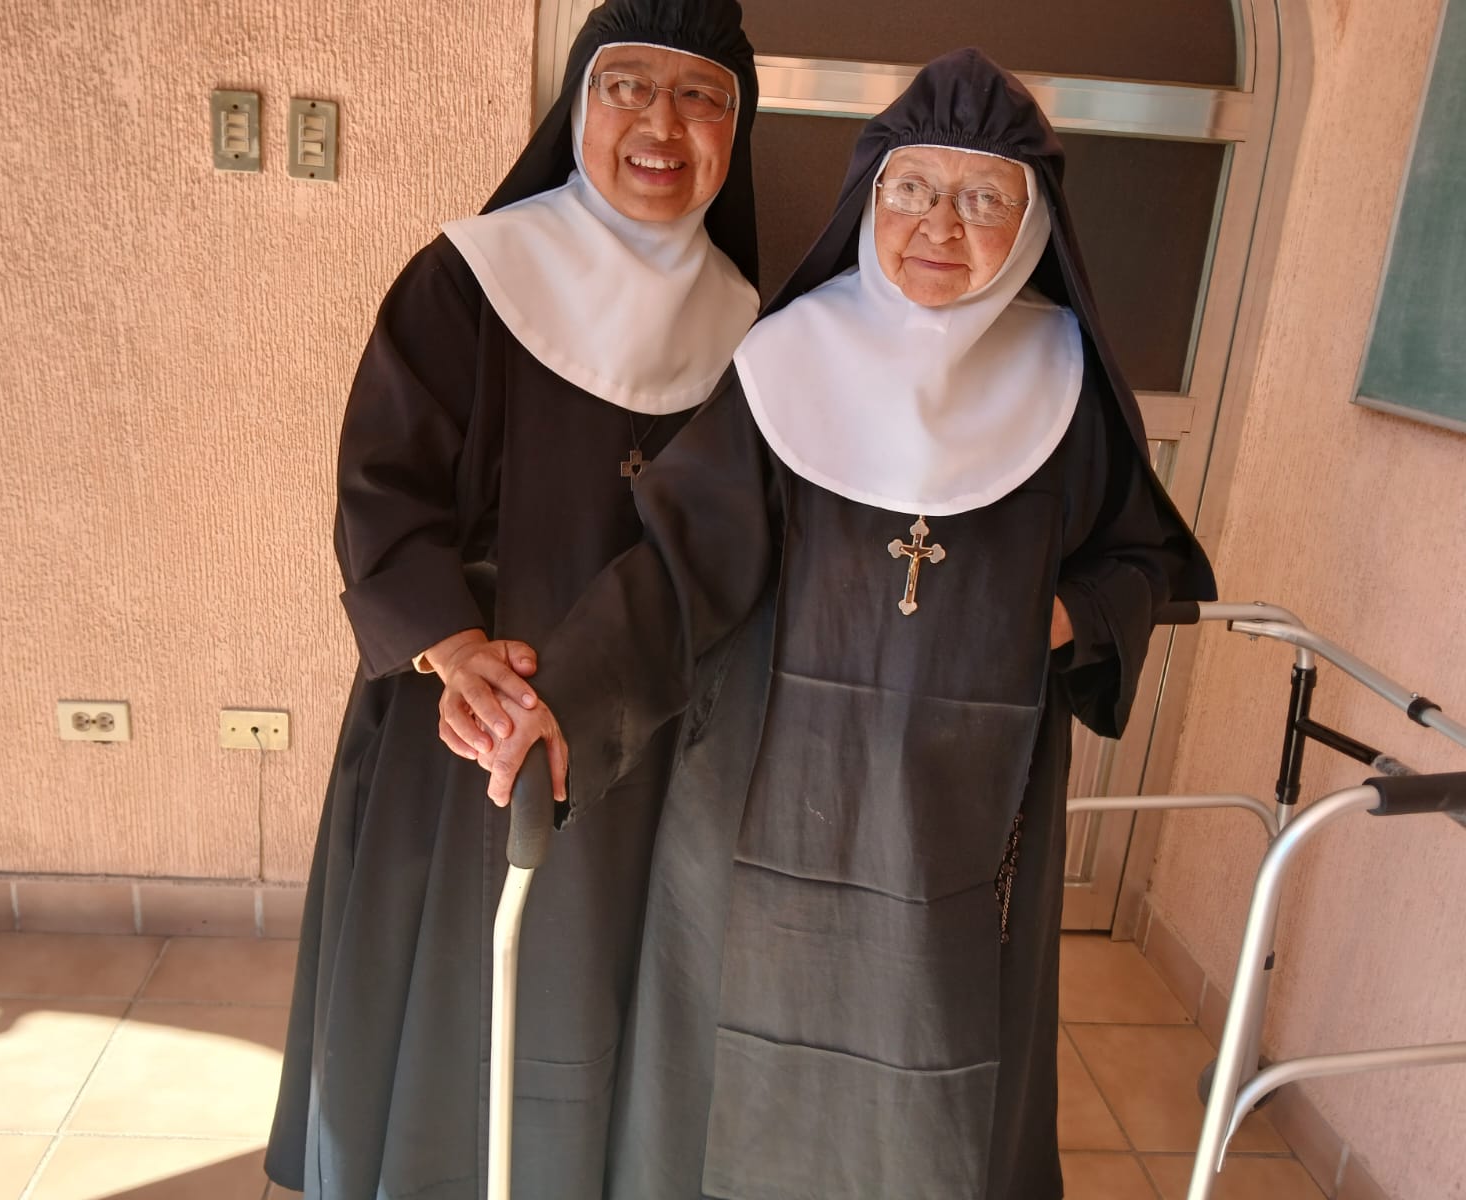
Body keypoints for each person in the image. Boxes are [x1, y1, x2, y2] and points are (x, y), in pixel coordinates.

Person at [461, 48, 1217, 1199]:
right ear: (871, 199)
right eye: (913, 189)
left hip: (965, 814)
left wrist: (1063, 620)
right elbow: (677, 575)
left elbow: (1144, 560)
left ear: (1030, 224)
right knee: (735, 1042)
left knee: (932, 1059)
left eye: (981, 199)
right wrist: (563, 697)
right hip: (763, 786)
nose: (938, 226)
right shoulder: (786, 361)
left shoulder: (1062, 382)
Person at [264, 3, 761, 1197]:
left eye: (699, 97)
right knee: (444, 986)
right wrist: (453, 651)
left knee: (593, 987)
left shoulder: (756, 335)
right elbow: (381, 479)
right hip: (462, 719)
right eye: (627, 87)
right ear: (577, 105)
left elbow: (731, 546)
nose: (660, 126)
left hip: (643, 738)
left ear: (737, 130)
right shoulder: (470, 276)